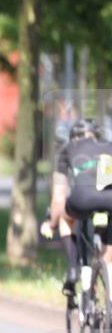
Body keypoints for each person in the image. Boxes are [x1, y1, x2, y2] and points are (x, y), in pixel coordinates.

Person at [40, 118, 112, 300]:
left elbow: (58, 197)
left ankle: (73, 270)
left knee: (65, 218)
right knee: (108, 250)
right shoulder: (108, 146)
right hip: (110, 200)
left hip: (82, 199)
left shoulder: (67, 149)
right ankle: (107, 285)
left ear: (73, 137)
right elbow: (106, 183)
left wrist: (51, 224)